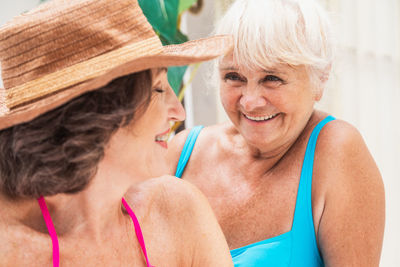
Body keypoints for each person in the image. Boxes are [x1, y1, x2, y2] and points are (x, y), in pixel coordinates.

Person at [0, 0, 234, 266]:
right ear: (96, 114)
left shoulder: (179, 212)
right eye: (158, 89)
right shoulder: (11, 246)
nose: (178, 112)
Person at [168, 0, 385, 266]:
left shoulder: (335, 152)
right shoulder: (182, 152)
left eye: (272, 79)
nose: (249, 101)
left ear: (320, 78)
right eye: (234, 76)